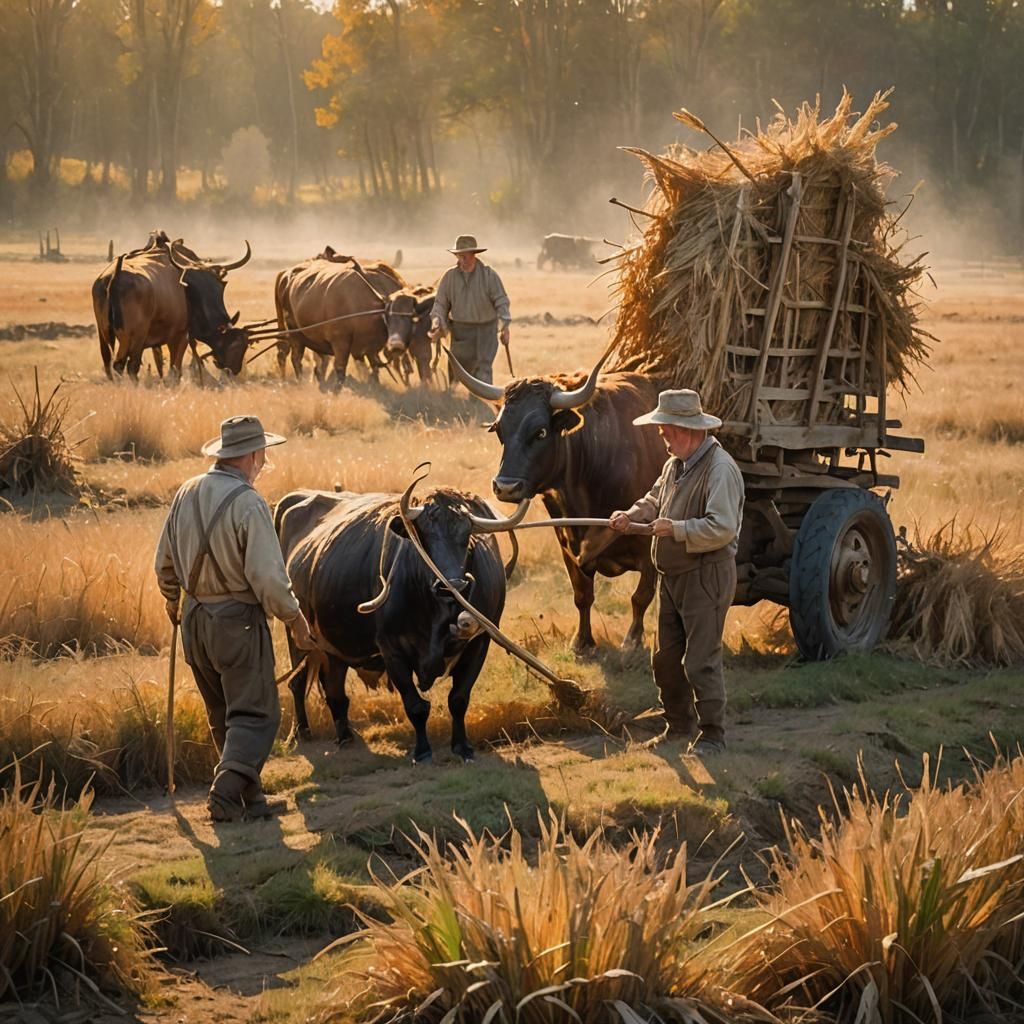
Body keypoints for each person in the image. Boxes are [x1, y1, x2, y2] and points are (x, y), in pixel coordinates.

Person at [155, 415, 315, 822]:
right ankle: (225, 796)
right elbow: (268, 578)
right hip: (237, 621)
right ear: (250, 456)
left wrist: (173, 600)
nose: (264, 462)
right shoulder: (249, 502)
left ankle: (251, 799)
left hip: (193, 620)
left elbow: (164, 563)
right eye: (262, 454)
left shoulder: (185, 492)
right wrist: (295, 619)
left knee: (225, 713)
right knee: (257, 713)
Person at [610, 390, 744, 754]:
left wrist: (677, 529)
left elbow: (722, 527)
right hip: (672, 577)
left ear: (690, 429)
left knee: (701, 660)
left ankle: (713, 735)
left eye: (668, 431)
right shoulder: (675, 464)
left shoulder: (721, 470)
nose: (663, 438)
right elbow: (655, 499)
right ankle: (678, 726)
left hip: (706, 576)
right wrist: (632, 516)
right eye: (662, 431)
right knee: (665, 659)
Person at [430, 234, 511, 385]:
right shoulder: (449, 277)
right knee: (458, 369)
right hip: (461, 331)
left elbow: (501, 301)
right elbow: (440, 304)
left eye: (465, 256)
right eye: (459, 256)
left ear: (474, 255)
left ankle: (480, 405)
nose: (462, 260)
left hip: (486, 331)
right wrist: (437, 322)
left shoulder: (489, 275)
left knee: (483, 369)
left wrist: (504, 327)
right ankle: (454, 400)